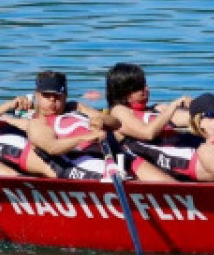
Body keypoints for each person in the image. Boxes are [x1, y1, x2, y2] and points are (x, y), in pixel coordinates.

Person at [25, 70, 173, 182]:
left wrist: (103, 121)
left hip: (115, 154)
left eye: (57, 96)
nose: (52, 100)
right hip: (82, 162)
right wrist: (86, 137)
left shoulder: (77, 107)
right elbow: (52, 147)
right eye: (46, 95)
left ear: (65, 96)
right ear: (37, 95)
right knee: (133, 185)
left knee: (170, 185)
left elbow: (116, 123)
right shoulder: (37, 123)